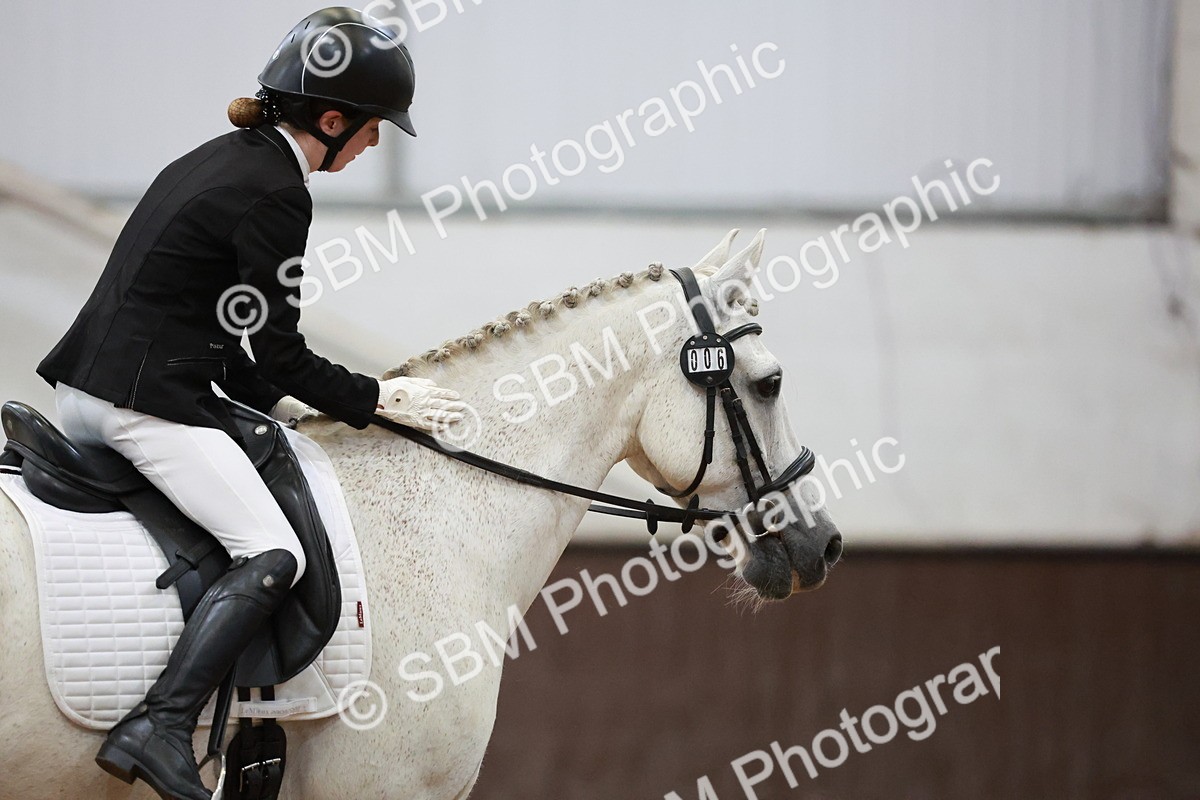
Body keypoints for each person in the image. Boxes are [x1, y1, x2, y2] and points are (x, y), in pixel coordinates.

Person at [36, 8, 461, 800]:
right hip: (144, 407)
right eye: (371, 129)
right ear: (331, 121)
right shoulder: (276, 196)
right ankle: (161, 725)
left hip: (89, 392)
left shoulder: (220, 159)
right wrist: (376, 399)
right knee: (274, 552)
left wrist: (287, 410)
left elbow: (234, 336)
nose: (374, 145)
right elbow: (282, 351)